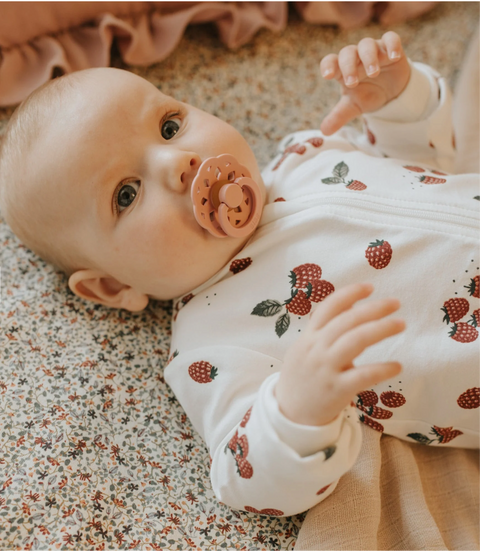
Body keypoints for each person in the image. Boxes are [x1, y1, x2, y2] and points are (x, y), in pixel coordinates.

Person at [0, 31, 478, 518]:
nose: (179, 162)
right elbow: (243, 475)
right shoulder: (211, 343)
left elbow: (425, 158)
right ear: (112, 285)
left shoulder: (304, 153)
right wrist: (296, 411)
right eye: (126, 193)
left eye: (169, 126)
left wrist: (397, 99)